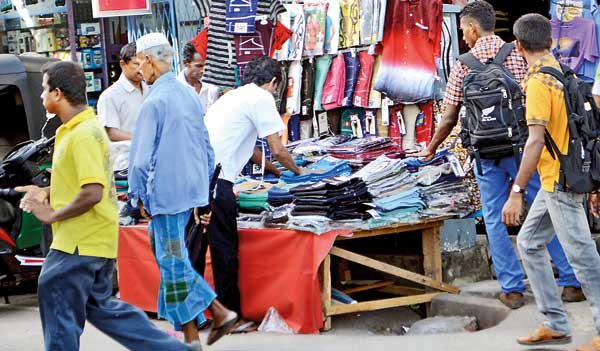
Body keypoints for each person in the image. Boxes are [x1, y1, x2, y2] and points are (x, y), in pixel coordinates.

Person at [16, 61, 202, 351]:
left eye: (43, 90)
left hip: (77, 244)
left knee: (57, 304)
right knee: (103, 309)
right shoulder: (78, 129)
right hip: (93, 242)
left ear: (58, 94)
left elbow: (92, 191)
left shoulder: (82, 134)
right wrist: (46, 191)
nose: (41, 97)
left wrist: (52, 216)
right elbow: (84, 181)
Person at [413, 0, 583, 309]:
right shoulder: (517, 54)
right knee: (543, 211)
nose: (463, 36)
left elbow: (449, 117)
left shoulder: (463, 63)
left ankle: (512, 289)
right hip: (523, 150)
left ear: (474, 28)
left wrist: (431, 147)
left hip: (485, 153)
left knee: (494, 217)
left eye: (464, 30)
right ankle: (571, 282)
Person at [128, 32, 237, 345]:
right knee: (171, 259)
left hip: (164, 194)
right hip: (189, 190)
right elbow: (207, 149)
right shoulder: (189, 94)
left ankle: (217, 311)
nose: (139, 71)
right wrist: (203, 194)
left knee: (172, 261)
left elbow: (138, 162)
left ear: (149, 60)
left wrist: (138, 197)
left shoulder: (155, 102)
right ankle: (188, 335)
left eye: (139, 63)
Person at [503, 14, 600, 349]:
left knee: (583, 257)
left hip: (559, 183)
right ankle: (555, 323)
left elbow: (534, 141)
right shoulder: (560, 70)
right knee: (529, 244)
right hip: (556, 179)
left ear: (517, 45)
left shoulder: (539, 83)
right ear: (548, 40)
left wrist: (516, 191)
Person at [204, 56, 307, 332]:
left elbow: (250, 147)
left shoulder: (233, 97)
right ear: (273, 81)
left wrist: (274, 171)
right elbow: (278, 148)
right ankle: (230, 318)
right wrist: (299, 173)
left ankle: (202, 316)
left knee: (205, 249)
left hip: (203, 180)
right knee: (225, 251)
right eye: (277, 86)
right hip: (217, 183)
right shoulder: (261, 99)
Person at [97, 43, 147, 141]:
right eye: (136, 64)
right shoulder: (110, 96)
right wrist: (143, 139)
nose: (141, 68)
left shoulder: (150, 90)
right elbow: (111, 133)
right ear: (123, 64)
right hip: (125, 154)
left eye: (144, 63)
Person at [177, 41, 220, 112]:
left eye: (205, 65)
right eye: (199, 66)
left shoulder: (211, 87)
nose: (203, 70)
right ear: (186, 63)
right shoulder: (175, 88)